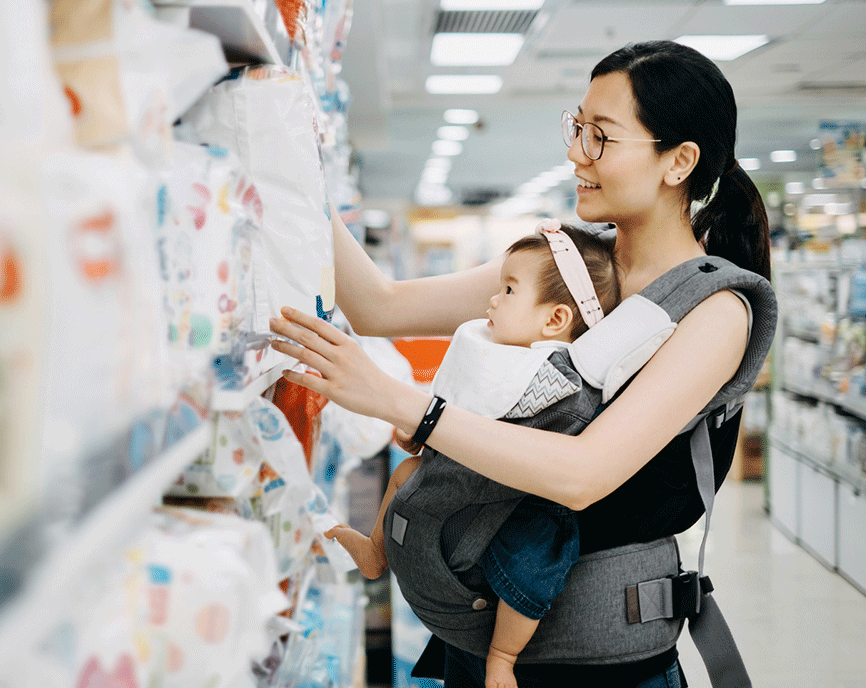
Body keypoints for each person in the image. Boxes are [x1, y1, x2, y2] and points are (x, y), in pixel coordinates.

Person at [267, 40, 773, 687]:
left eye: (602, 138)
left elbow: (583, 474)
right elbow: (380, 307)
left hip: (599, 663)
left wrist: (406, 404)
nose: (575, 154)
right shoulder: (568, 264)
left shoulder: (714, 309)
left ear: (679, 161)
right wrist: (285, 158)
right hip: (472, 633)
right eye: (577, 128)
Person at [323, 222, 620, 688]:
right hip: (453, 477)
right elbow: (457, 415)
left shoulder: (553, 379)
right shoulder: (498, 352)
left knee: (533, 556)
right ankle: (374, 552)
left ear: (555, 320)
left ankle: (502, 654)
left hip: (511, 505)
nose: (493, 299)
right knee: (406, 472)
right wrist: (424, 435)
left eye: (508, 289)